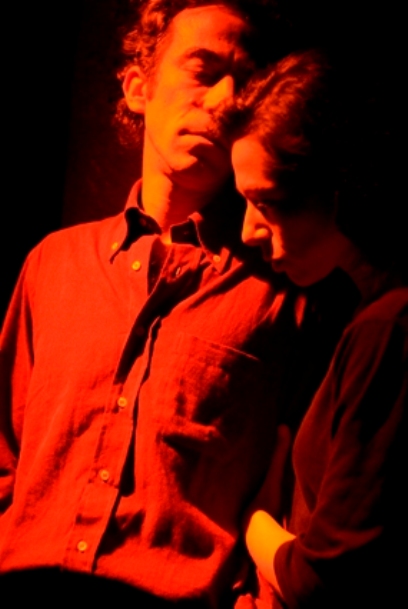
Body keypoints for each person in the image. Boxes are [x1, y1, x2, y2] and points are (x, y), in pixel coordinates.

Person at [0, 3, 358, 607]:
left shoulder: (289, 297)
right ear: (138, 88)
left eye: (244, 85)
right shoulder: (53, 265)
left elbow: (306, 504)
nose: (224, 100)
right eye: (203, 70)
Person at [225, 50, 408, 608]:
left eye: (266, 202)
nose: (248, 231)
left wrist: (255, 520)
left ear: (338, 188)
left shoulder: (389, 329)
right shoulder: (369, 316)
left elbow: (322, 580)